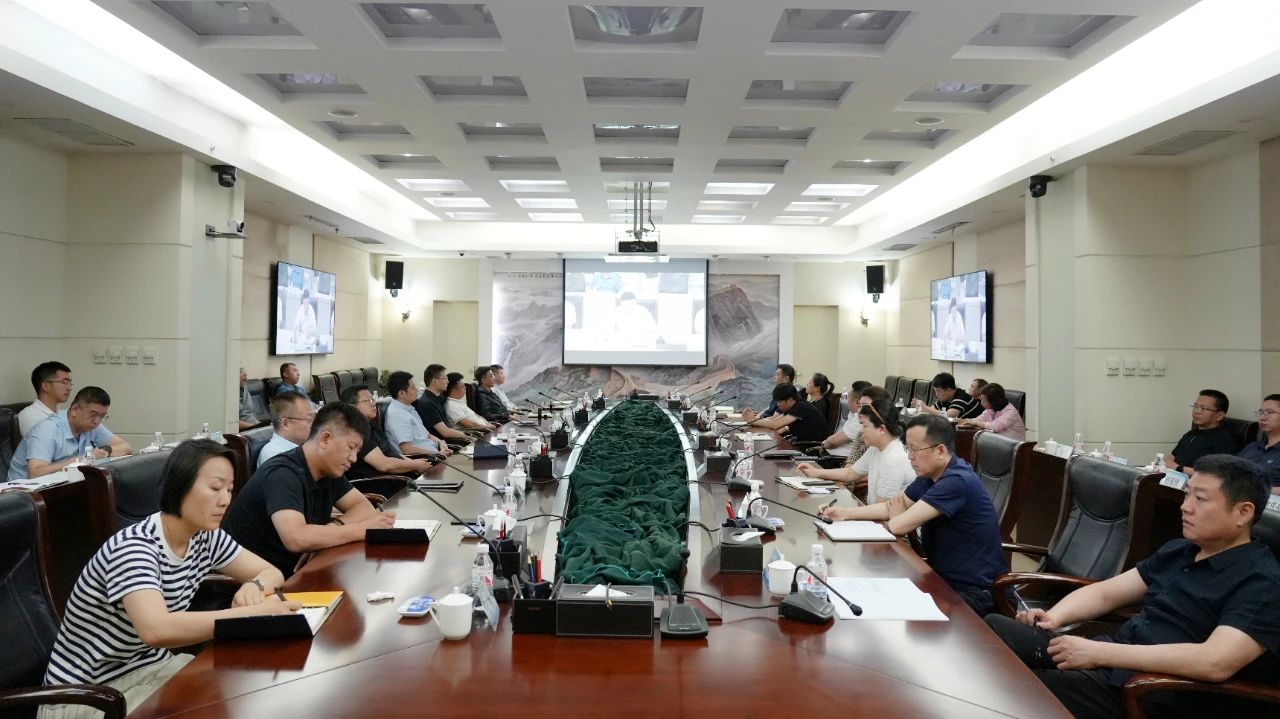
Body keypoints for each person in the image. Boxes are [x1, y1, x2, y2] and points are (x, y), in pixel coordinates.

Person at [985, 455, 1280, 719]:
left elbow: (1215, 662)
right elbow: (1106, 592)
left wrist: (1100, 653)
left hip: (1154, 691)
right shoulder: (1180, 550)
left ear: (1243, 512)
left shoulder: (1261, 581)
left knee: (1012, 689)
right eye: (1187, 494)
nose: (1185, 507)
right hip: (1117, 662)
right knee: (995, 631)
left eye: (1200, 499)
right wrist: (1054, 617)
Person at [40, 440, 301, 718]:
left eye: (229, 489)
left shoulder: (206, 536)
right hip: (85, 695)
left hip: (151, 668)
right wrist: (250, 615)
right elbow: (156, 630)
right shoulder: (135, 548)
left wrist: (254, 586)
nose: (225, 500)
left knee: (241, 688)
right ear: (180, 486)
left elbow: (272, 572)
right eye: (215, 488)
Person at [820, 414, 1005, 614]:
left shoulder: (957, 481)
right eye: (908, 448)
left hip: (972, 591)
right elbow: (892, 508)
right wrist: (846, 513)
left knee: (887, 610)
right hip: (940, 577)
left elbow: (898, 525)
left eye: (915, 449)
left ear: (940, 450)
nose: (909, 456)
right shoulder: (930, 475)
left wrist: (896, 517)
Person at [220, 403, 395, 578]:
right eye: (351, 447)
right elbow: (296, 538)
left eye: (357, 450)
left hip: (298, 571)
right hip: (254, 583)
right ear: (325, 439)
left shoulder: (328, 470)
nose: (354, 458)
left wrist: (326, 534)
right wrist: (362, 530)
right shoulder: (283, 473)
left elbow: (362, 507)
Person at [799, 399, 914, 504]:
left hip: (881, 517)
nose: (861, 431)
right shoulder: (876, 448)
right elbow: (850, 473)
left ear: (882, 429)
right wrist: (816, 472)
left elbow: (882, 509)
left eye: (865, 426)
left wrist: (843, 512)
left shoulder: (893, 459)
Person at [8, 386, 132, 481]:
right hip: (23, 494)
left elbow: (126, 447)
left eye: (102, 416)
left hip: (62, 485)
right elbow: (35, 473)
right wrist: (76, 462)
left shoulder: (92, 426)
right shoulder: (47, 429)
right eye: (93, 415)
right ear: (74, 410)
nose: (97, 421)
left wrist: (106, 451)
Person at [340, 384, 433, 480]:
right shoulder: (356, 433)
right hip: (383, 482)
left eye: (373, 399)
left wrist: (415, 463)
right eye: (367, 401)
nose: (373, 404)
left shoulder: (370, 426)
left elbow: (393, 453)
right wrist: (415, 465)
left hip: (401, 477)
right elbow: (384, 465)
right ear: (352, 407)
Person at [383, 371, 451, 458]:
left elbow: (427, 435)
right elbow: (407, 449)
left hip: (435, 455)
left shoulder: (409, 408)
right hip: (425, 459)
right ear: (401, 393)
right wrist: (437, 453)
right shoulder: (397, 415)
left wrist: (440, 442)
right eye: (413, 388)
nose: (417, 390)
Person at [1168, 389, 1236, 476]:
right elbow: (1170, 459)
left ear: (1219, 416)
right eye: (1195, 406)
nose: (1196, 411)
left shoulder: (1223, 441)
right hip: (1173, 478)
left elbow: (1216, 475)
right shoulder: (1191, 434)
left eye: (1203, 408)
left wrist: (1179, 468)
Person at [415, 364, 472, 445]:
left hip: (452, 437)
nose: (447, 382)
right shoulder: (427, 403)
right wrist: (467, 436)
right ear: (435, 381)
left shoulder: (439, 397)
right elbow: (445, 432)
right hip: (443, 444)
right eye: (445, 378)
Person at [821, 382, 878, 456]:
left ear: (858, 402)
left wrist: (823, 446)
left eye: (848, 397)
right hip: (830, 455)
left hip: (837, 459)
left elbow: (832, 443)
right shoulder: (852, 413)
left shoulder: (861, 419)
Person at [257, 393, 314, 467]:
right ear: (285, 424)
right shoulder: (274, 455)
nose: (315, 424)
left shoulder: (303, 447)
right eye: (309, 419)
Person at [18, 361, 72, 437]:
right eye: (64, 382)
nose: (69, 388)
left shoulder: (61, 413)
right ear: (45, 386)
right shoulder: (29, 416)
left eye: (69, 383)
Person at [1239, 393, 1280, 491]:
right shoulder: (1252, 447)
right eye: (1261, 412)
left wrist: (1261, 490)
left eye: (1269, 412)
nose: (1262, 417)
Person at [959, 383, 1026, 440]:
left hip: (1012, 445)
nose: (981, 403)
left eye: (984, 401)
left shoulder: (1010, 412)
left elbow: (995, 426)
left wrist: (976, 423)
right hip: (997, 441)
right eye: (981, 399)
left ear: (994, 401)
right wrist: (966, 421)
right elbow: (981, 418)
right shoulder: (991, 408)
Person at [914, 372, 982, 419]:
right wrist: (919, 407)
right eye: (935, 391)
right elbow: (931, 411)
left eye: (938, 391)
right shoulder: (945, 399)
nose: (936, 394)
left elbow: (949, 415)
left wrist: (926, 408)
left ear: (949, 390)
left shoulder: (962, 397)